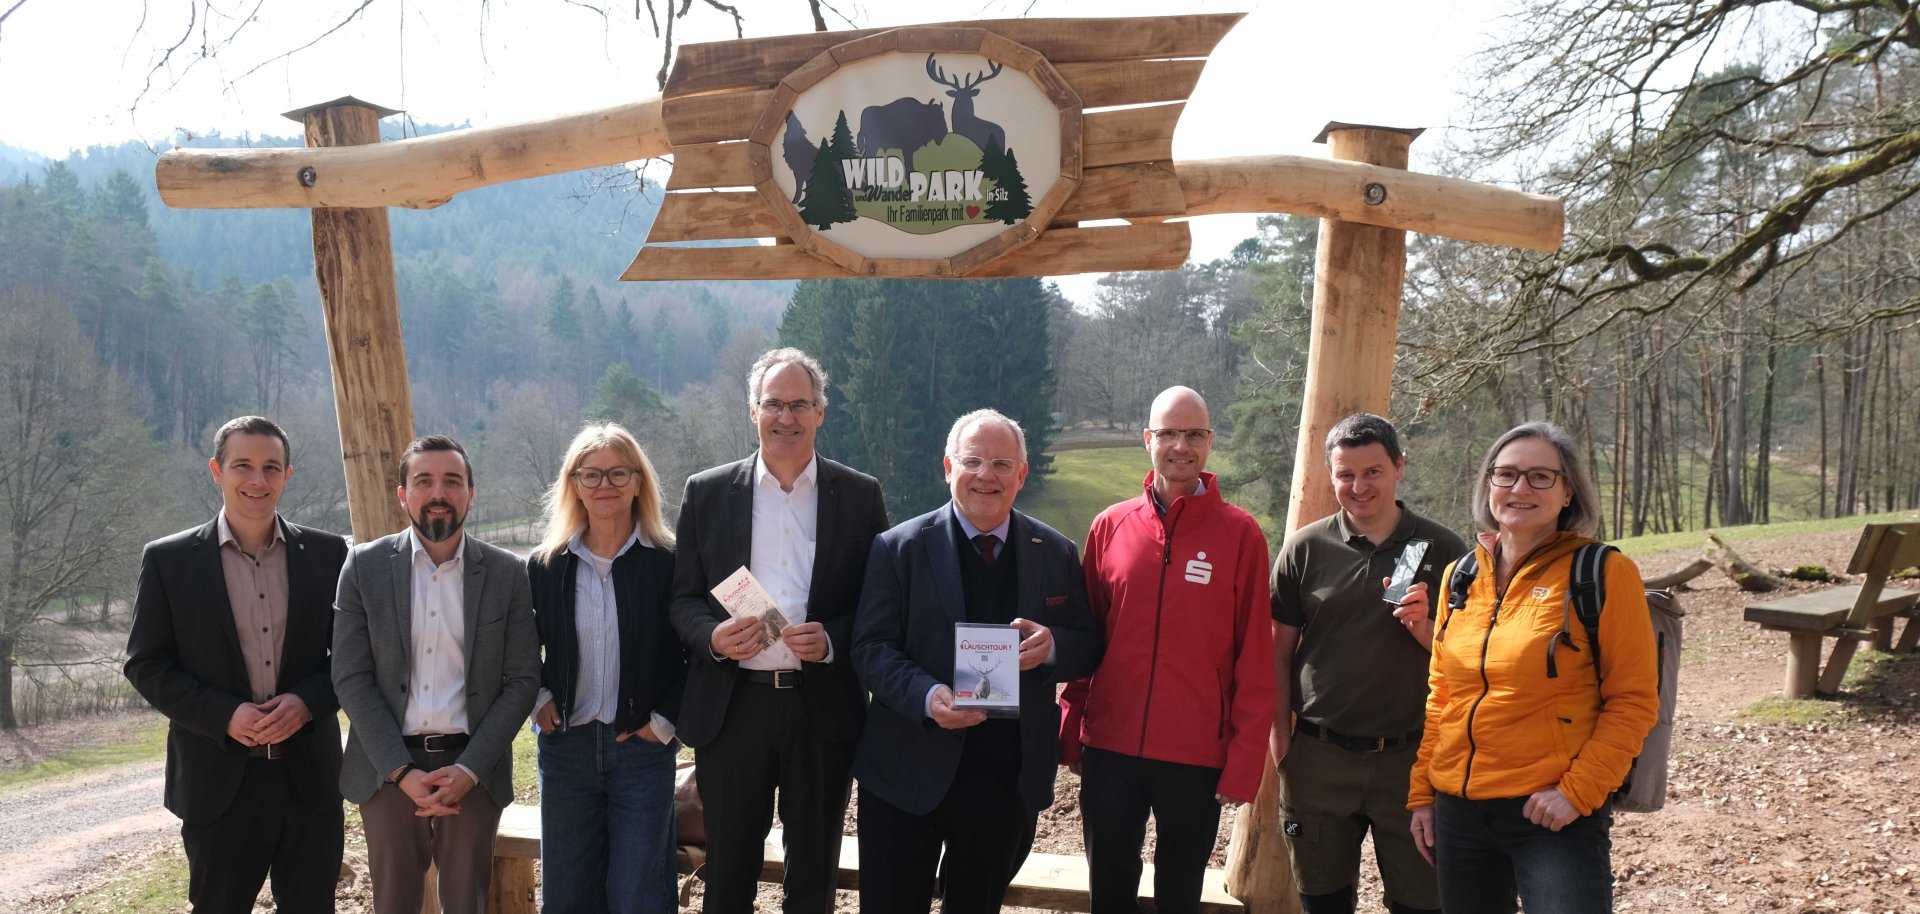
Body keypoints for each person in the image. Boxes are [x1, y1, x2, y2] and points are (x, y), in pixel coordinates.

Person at [850, 409, 1104, 914]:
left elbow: (1089, 643)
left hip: (1005, 779)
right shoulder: (899, 548)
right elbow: (870, 648)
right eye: (972, 461)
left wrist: (1052, 646)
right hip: (907, 771)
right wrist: (926, 695)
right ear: (948, 466)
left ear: (1022, 474)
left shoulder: (1055, 551)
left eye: (1002, 464)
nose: (986, 476)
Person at [669, 348, 890, 914]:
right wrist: (713, 638)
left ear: (821, 412)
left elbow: (880, 602)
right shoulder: (708, 492)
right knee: (729, 868)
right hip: (734, 706)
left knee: (814, 872)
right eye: (774, 404)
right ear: (753, 411)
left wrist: (835, 639)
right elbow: (683, 599)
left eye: (799, 404)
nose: (785, 417)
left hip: (822, 707)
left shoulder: (860, 495)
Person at [1407, 420, 1658, 914]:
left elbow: (1632, 700)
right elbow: (1443, 695)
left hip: (1551, 814)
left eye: (1541, 477)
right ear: (1488, 485)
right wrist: (1423, 792)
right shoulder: (1461, 575)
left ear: (1568, 492)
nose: (1520, 488)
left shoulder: (1603, 572)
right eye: (1506, 474)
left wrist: (1577, 792)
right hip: (1459, 813)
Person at [1059, 386, 1276, 914]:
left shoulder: (1241, 535)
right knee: (1108, 891)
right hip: (1110, 745)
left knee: (1180, 896)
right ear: (1147, 440)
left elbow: (1256, 659)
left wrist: (1245, 761)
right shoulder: (1110, 525)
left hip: (1196, 754)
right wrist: (1071, 725)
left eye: (1194, 434)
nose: (1182, 445)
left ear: (1210, 441)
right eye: (1169, 433)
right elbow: (1087, 637)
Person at [124, 416, 349, 914]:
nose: (257, 480)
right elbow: (146, 664)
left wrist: (308, 702)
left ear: (287, 475)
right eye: (242, 466)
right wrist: (225, 715)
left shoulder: (329, 555)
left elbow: (354, 657)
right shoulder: (169, 560)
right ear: (216, 471)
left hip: (309, 778)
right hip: (216, 781)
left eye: (271, 468)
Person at [332, 435, 540, 914]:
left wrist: (469, 770)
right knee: (393, 904)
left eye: (452, 480)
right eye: (423, 481)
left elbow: (523, 680)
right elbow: (350, 676)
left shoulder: (508, 573)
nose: (438, 492)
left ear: (471, 492)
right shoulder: (363, 567)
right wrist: (400, 771)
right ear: (403, 494)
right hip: (386, 770)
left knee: (467, 904)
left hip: (473, 766)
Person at [1270, 413, 1465, 914]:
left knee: (1422, 902)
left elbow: (1471, 663)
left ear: (1399, 467)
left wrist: (1427, 630)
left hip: (1413, 759)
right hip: (1319, 756)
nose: (1359, 487)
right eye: (1345, 474)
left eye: (1373, 471)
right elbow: (1276, 651)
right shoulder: (1305, 549)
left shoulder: (1444, 550)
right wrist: (1280, 739)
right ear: (1331, 476)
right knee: (1323, 900)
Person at [526, 423, 688, 914]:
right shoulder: (546, 564)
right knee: (568, 893)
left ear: (639, 482)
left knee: (637, 896)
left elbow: (693, 653)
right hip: (567, 750)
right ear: (573, 483)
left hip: (640, 751)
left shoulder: (669, 562)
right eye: (591, 475)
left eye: (619, 473)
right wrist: (538, 697)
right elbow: (516, 646)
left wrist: (663, 724)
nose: (605, 485)